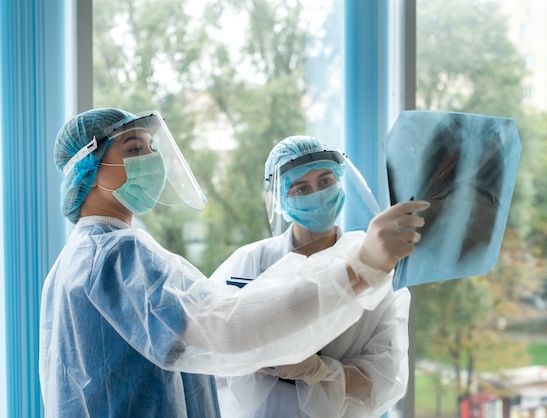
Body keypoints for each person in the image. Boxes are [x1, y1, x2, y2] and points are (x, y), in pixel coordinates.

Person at [38, 108, 429, 417]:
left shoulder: (89, 255)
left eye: (152, 148)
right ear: (87, 168)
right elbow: (225, 326)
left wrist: (319, 370)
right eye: (134, 149)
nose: (152, 161)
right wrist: (359, 268)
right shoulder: (114, 256)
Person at [213, 135, 428, 418]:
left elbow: (385, 382)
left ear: (340, 181)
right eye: (301, 188)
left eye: (326, 181)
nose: (316, 194)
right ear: (280, 198)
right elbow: (207, 350)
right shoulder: (250, 263)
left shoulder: (373, 270)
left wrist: (319, 370)